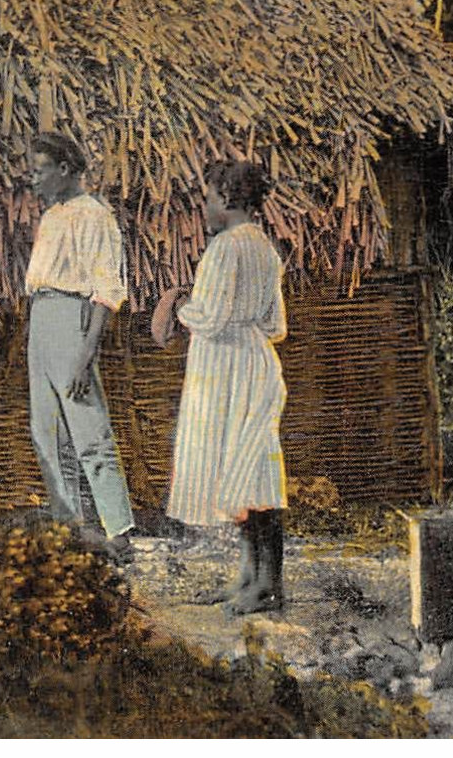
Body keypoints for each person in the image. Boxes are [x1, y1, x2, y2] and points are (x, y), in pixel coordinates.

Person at [157, 160, 288, 615]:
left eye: (209, 198)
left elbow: (209, 318)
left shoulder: (225, 249)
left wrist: (178, 303)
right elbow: (274, 325)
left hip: (228, 369)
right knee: (248, 473)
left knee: (252, 478)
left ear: (229, 200)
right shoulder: (265, 250)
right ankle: (252, 577)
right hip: (254, 362)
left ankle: (267, 584)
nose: (205, 208)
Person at [25, 133, 136, 557]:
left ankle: (118, 531)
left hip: (74, 320)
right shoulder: (53, 216)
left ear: (65, 170)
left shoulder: (95, 216)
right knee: (47, 433)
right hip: (43, 319)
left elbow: (106, 289)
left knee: (89, 430)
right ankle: (70, 529)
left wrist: (86, 351)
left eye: (40, 171)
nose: (34, 179)